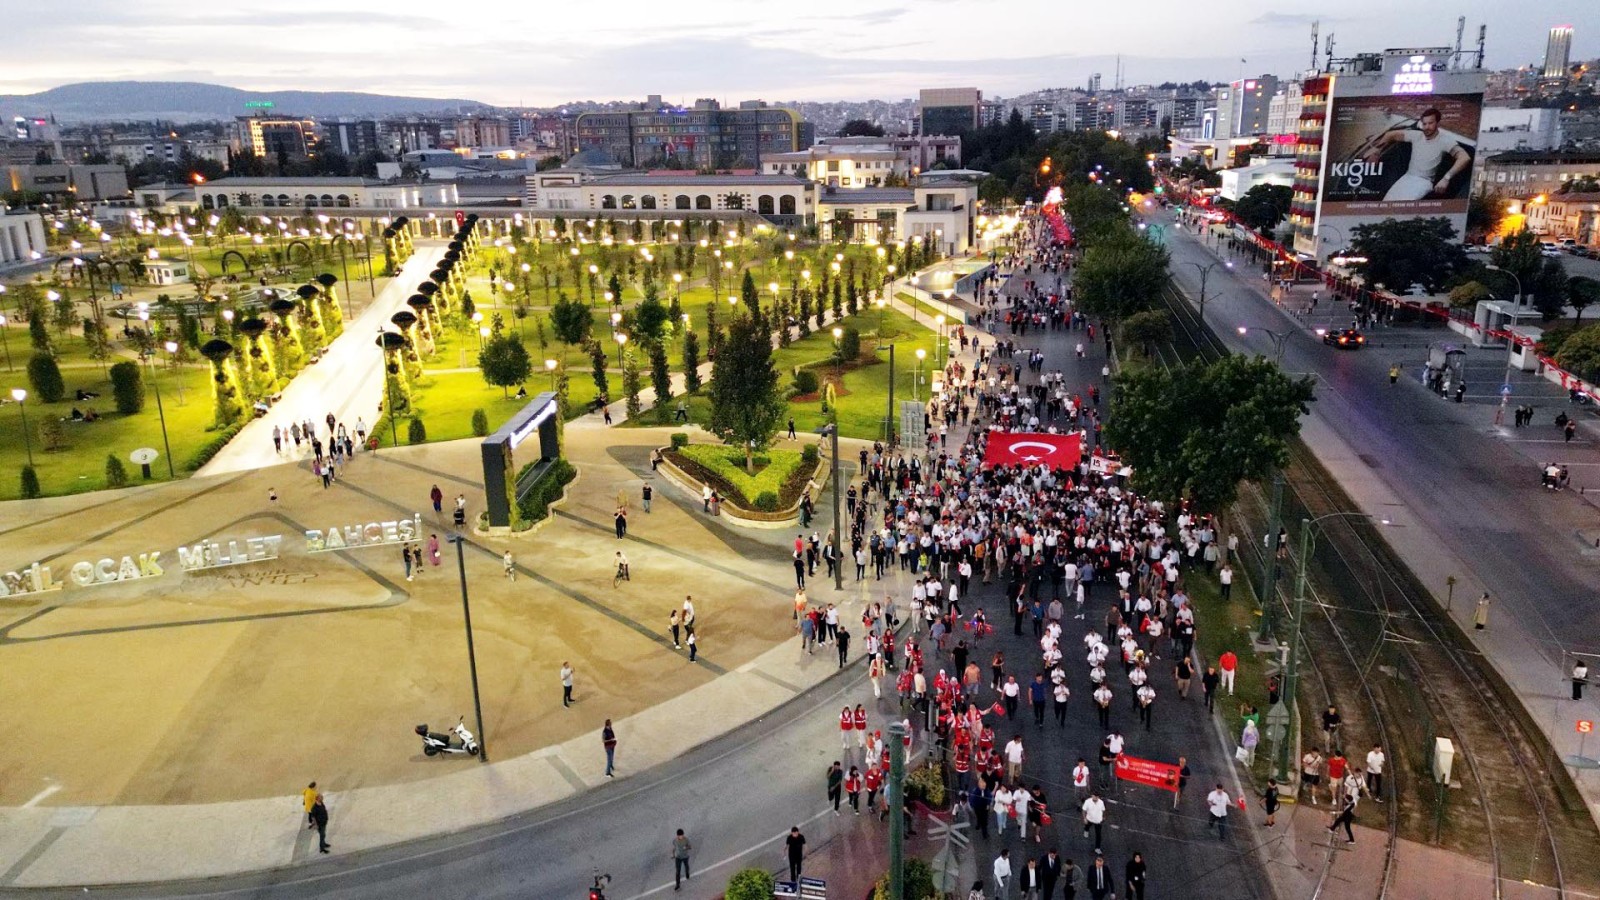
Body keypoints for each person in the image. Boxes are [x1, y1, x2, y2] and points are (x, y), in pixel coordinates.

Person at [1363, 107, 1473, 202]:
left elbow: (1464, 158)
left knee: (1402, 208)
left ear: (1437, 123)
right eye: (1424, 124)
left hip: (1423, 181)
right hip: (1407, 178)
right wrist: (1376, 152)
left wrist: (1446, 178)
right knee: (1386, 204)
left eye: (1430, 123)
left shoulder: (1445, 141)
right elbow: (1391, 134)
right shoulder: (1417, 136)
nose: (1427, 127)